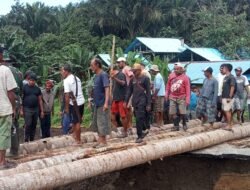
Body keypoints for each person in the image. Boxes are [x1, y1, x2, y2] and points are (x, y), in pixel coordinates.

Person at [2, 50, 23, 156]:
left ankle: (11, 151)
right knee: (14, 125)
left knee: (9, 126)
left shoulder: (6, 70)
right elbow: (20, 89)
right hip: (14, 99)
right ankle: (14, 150)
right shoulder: (18, 72)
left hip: (7, 99)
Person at [125, 63, 151, 143]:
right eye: (133, 71)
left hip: (142, 101)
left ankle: (139, 136)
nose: (134, 72)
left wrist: (148, 104)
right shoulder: (132, 79)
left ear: (139, 70)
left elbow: (148, 92)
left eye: (135, 71)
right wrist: (126, 101)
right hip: (135, 101)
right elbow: (129, 91)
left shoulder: (145, 78)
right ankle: (145, 130)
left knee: (139, 118)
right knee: (138, 117)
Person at [0, 47, 17, 169]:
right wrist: (14, 108)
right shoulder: (5, 70)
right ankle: (2, 162)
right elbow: (11, 93)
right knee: (4, 135)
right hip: (3, 109)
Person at [89, 58, 111, 147]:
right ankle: (100, 140)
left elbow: (107, 89)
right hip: (97, 103)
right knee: (97, 122)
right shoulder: (96, 76)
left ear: (97, 65)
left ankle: (103, 142)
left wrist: (106, 103)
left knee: (102, 122)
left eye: (92, 65)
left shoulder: (103, 75)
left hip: (102, 103)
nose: (91, 67)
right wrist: (91, 100)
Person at [61, 64, 85, 144]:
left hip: (74, 103)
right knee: (76, 121)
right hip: (81, 101)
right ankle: (75, 136)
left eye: (62, 71)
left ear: (66, 71)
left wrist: (67, 108)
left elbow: (67, 96)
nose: (61, 72)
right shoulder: (77, 78)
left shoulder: (66, 80)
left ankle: (78, 140)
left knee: (76, 122)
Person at [165, 63, 190, 131]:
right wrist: (166, 94)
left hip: (182, 97)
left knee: (182, 112)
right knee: (173, 112)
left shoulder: (185, 78)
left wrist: (187, 99)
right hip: (172, 97)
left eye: (177, 69)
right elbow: (168, 86)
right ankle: (176, 126)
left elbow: (188, 89)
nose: (175, 70)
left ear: (181, 69)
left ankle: (184, 123)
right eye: (174, 69)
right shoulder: (171, 75)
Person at [21, 73, 44, 142]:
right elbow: (21, 99)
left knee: (34, 125)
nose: (32, 82)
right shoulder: (24, 88)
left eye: (33, 80)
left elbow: (40, 100)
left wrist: (42, 111)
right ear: (28, 80)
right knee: (28, 124)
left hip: (36, 109)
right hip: (27, 109)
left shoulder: (37, 89)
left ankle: (32, 139)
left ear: (35, 81)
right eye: (30, 80)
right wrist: (21, 110)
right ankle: (26, 139)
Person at [110, 66, 128, 137]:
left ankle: (125, 132)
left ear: (113, 70)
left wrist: (114, 78)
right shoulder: (113, 77)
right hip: (115, 99)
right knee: (112, 114)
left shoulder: (121, 74)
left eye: (110, 71)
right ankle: (115, 130)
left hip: (121, 98)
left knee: (123, 116)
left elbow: (123, 83)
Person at [117, 57, 134, 132]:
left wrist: (130, 86)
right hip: (126, 90)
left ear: (123, 62)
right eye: (117, 62)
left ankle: (130, 125)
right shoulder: (122, 70)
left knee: (128, 108)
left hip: (128, 90)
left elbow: (132, 76)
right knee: (127, 108)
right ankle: (129, 125)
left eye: (119, 62)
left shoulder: (126, 68)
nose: (118, 64)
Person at [221, 64, 236, 130]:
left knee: (227, 110)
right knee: (226, 110)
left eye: (223, 68)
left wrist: (230, 97)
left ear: (226, 69)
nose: (222, 69)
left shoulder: (231, 77)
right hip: (224, 96)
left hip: (228, 97)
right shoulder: (225, 77)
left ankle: (229, 126)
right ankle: (229, 124)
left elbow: (232, 87)